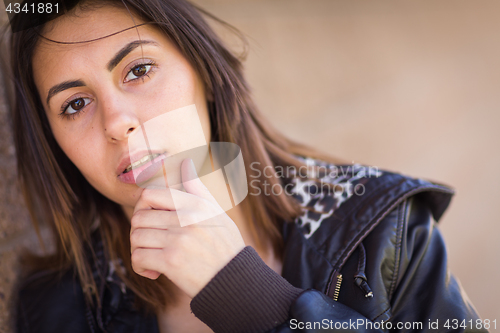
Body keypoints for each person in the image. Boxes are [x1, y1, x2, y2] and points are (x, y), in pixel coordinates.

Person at [6, 0, 485, 332]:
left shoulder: (384, 235)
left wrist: (246, 297)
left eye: (138, 70)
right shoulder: (54, 306)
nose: (117, 123)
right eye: (75, 104)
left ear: (205, 75)